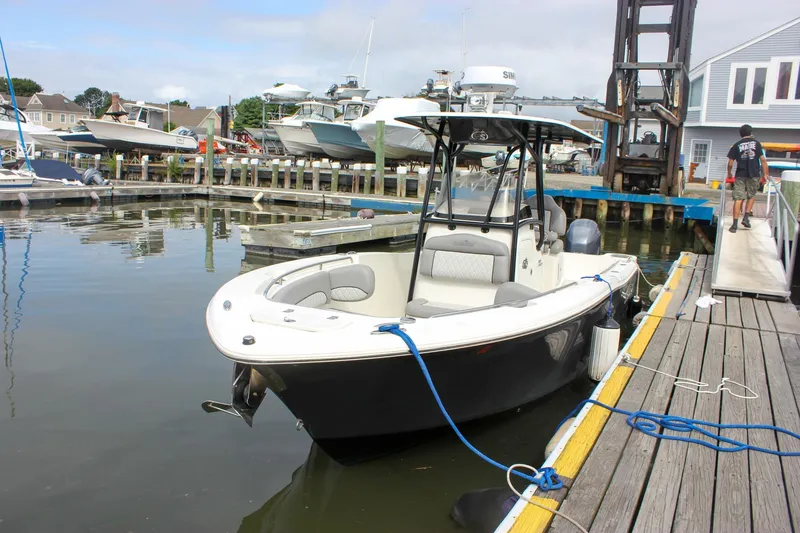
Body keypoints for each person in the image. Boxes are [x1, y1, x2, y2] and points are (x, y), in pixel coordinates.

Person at [727, 124, 768, 233]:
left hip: (740, 174)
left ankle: (734, 225)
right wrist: (765, 174)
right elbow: (763, 160)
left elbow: (730, 163)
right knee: (751, 195)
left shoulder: (736, 145)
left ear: (741, 134)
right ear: (750, 133)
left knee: (738, 198)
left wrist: (729, 174)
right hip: (754, 174)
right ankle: (746, 217)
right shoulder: (757, 144)